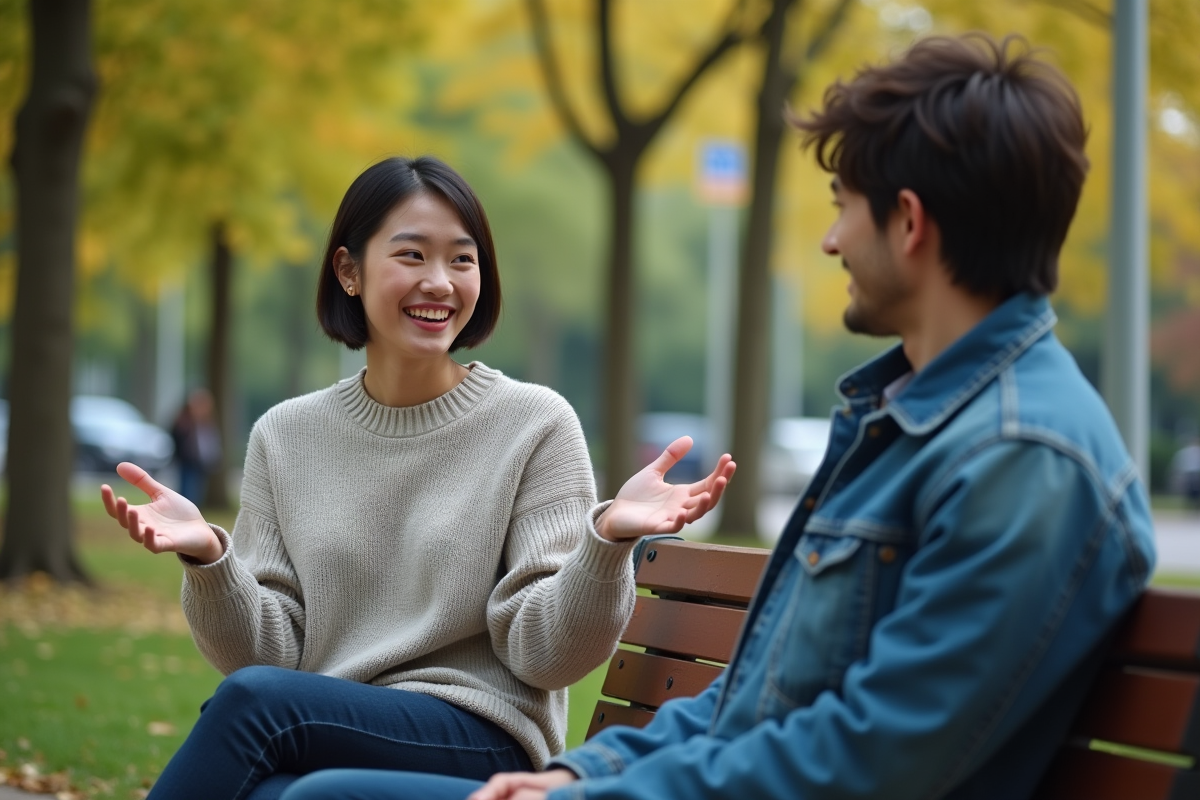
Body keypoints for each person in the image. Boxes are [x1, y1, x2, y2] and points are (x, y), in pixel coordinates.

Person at [278, 33, 1157, 800]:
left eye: (844, 208)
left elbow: (874, 756)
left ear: (911, 223)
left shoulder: (1019, 458)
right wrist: (586, 773)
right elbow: (755, 703)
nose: (830, 241)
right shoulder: (911, 425)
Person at [99, 155, 736, 800]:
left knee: (252, 706)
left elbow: (549, 657)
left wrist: (605, 542)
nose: (440, 282)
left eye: (462, 260)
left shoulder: (534, 425)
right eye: (412, 255)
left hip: (480, 735)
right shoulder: (284, 436)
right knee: (278, 789)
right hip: (321, 723)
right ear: (348, 270)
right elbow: (269, 651)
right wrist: (210, 557)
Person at [170, 387, 222, 505]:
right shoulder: (184, 422)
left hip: (200, 463)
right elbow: (177, 440)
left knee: (197, 490)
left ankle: (192, 508)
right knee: (186, 489)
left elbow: (211, 443)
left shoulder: (207, 422)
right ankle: (183, 509)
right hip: (187, 461)